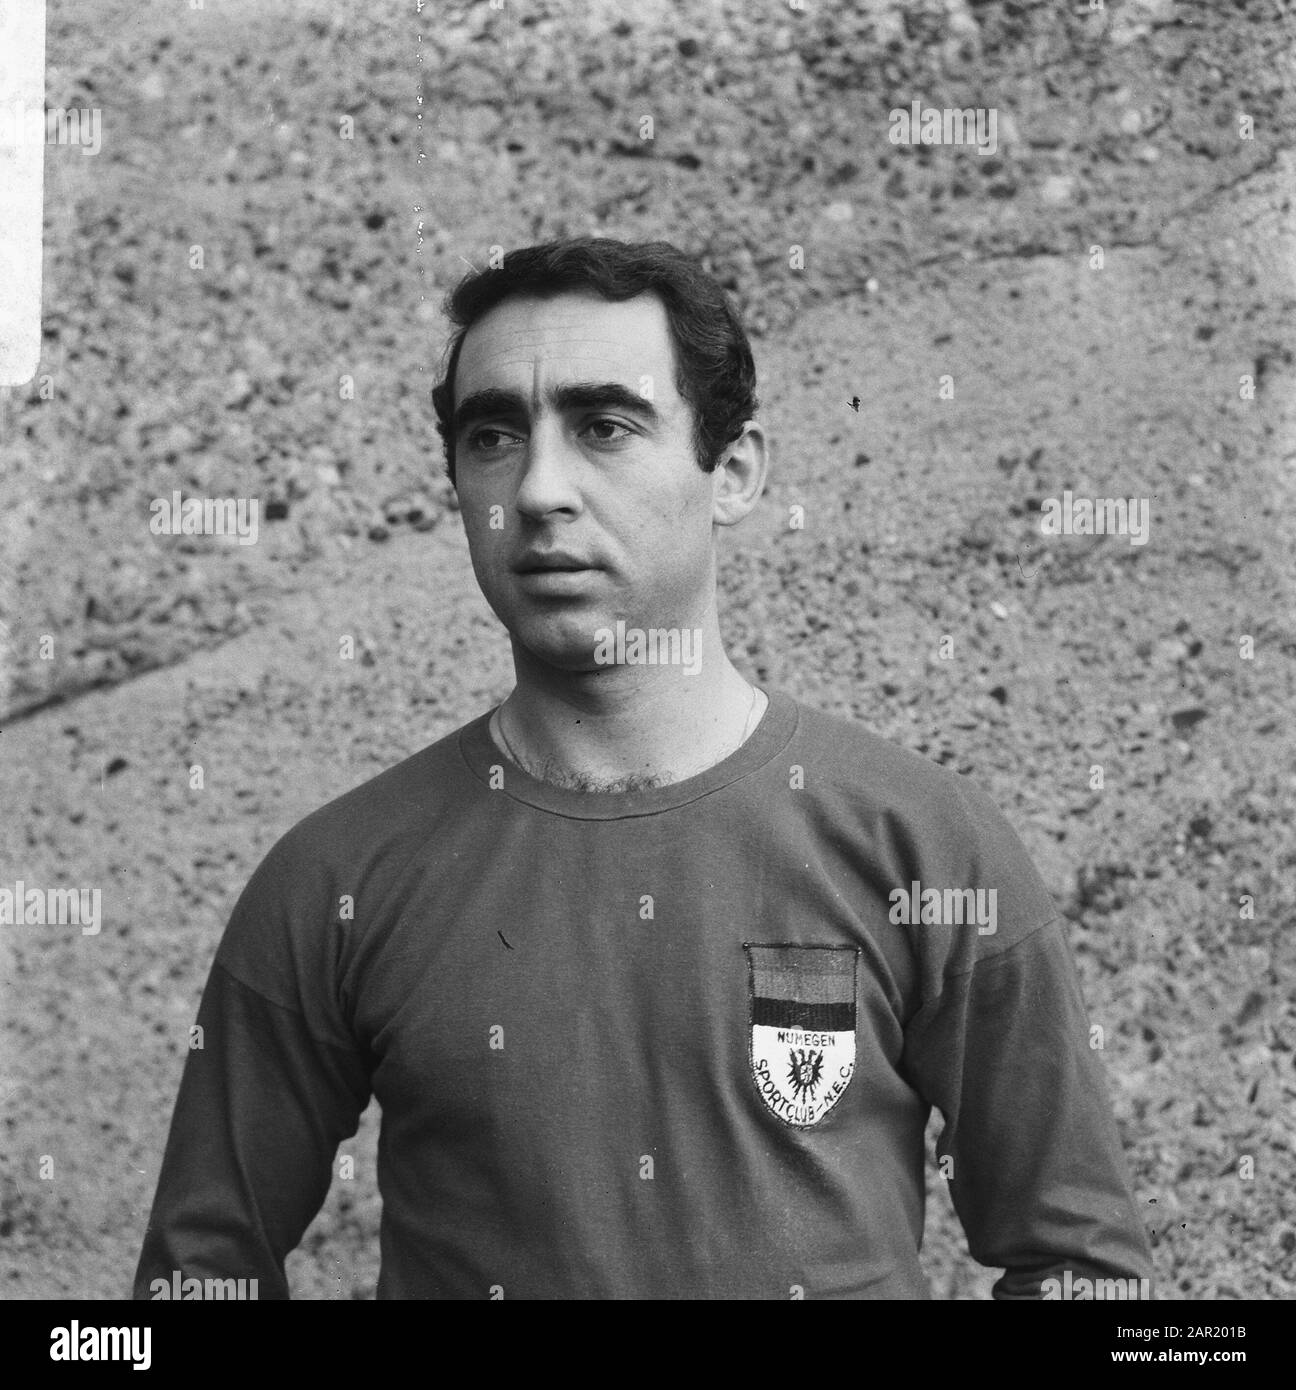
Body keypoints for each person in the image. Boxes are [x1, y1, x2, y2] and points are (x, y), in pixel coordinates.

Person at [134, 236, 1155, 1299]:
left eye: (604, 426)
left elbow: (1082, 1268)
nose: (538, 489)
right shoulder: (337, 880)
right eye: (493, 435)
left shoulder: (928, 847)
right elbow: (198, 1276)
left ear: (737, 472)